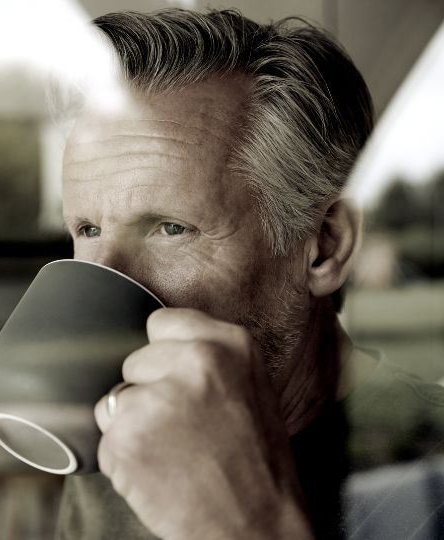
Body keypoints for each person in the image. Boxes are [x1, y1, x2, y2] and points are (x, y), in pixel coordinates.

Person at [51, 8, 444, 540]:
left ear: (325, 247)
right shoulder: (121, 447)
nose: (102, 278)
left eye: (170, 228)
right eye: (89, 229)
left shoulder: (427, 475)